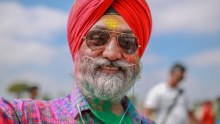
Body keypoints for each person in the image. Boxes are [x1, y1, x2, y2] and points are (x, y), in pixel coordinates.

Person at [0, 0, 154, 123]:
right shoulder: (25, 116)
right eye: (97, 38)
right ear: (76, 47)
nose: (112, 54)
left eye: (127, 42)